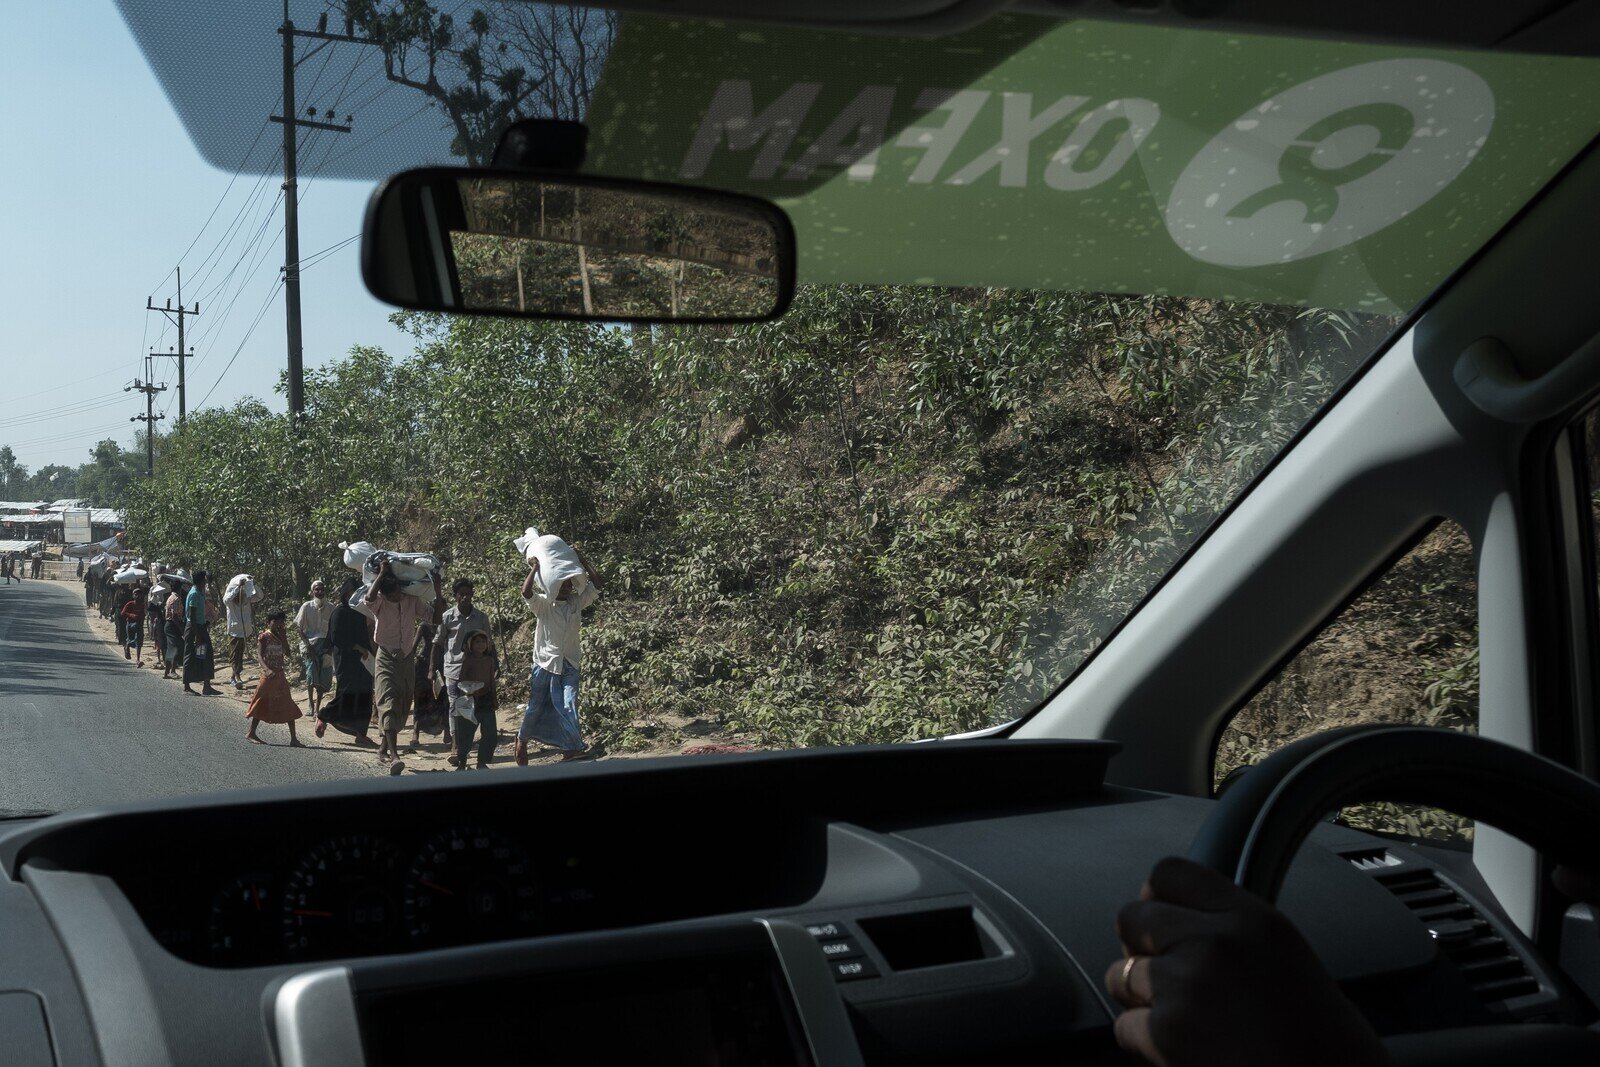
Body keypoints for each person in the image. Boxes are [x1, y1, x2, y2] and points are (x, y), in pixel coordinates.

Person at [515, 547, 603, 765]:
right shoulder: (544, 603)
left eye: (569, 584)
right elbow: (526, 592)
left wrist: (583, 560)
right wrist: (535, 567)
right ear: (553, 584)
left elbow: (597, 586)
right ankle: (522, 739)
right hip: (545, 662)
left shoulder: (576, 602)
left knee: (569, 703)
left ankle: (571, 748)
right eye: (562, 584)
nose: (566, 587)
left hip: (570, 662)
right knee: (535, 708)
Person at [364, 560, 444, 771]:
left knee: (401, 704)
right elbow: (369, 598)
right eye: (391, 596)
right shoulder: (379, 602)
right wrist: (381, 573)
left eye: (397, 593)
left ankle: (383, 749)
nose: (396, 598)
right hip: (385, 657)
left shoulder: (412, 600)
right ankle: (395, 756)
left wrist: (438, 591)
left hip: (406, 659)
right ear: (384, 594)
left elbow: (435, 618)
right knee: (388, 702)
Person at [431, 577, 492, 750]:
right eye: (461, 594)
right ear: (455, 596)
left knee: (471, 706)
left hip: (475, 671)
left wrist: (494, 667)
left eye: (468, 594)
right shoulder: (447, 617)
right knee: (454, 705)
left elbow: (489, 644)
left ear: (472, 595)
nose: (465, 597)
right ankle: (456, 744)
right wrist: (432, 668)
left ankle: (465, 740)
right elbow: (437, 643)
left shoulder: (481, 618)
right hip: (453, 669)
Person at [322, 576, 377, 746]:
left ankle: (361, 733)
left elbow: (365, 634)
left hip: (363, 660)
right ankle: (324, 715)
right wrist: (357, 647)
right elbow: (336, 637)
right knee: (346, 692)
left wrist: (369, 651)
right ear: (345, 594)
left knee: (365, 694)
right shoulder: (339, 612)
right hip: (345, 659)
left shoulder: (360, 612)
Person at [244, 610, 305, 746]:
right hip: (268, 675)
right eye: (276, 621)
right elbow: (259, 655)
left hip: (279, 674)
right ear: (269, 622)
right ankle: (251, 732)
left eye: (281, 622)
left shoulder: (280, 636)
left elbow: (288, 653)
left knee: (287, 703)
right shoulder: (264, 636)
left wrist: (284, 637)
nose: (278, 624)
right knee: (261, 701)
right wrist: (267, 670)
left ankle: (293, 739)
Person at [449, 630, 499, 770]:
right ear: (470, 645)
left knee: (490, 733)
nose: (481, 644)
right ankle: (462, 762)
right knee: (466, 732)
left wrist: (494, 698)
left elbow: (491, 681)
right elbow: (462, 680)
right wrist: (465, 695)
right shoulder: (468, 661)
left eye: (483, 641)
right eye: (477, 642)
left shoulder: (489, 661)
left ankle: (482, 762)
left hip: (486, 700)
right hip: (470, 700)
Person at [294, 580, 335, 717]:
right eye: (317, 589)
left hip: (326, 646)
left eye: (322, 589)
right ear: (312, 592)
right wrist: (307, 645)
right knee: (311, 675)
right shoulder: (306, 606)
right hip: (310, 646)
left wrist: (329, 647)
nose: (320, 592)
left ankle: (317, 708)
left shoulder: (331, 608)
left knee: (323, 676)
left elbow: (333, 630)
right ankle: (310, 705)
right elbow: (299, 627)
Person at [182, 569, 222, 696]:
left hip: (200, 627)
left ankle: (206, 686)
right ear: (201, 581)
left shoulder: (200, 592)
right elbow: (192, 616)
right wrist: (197, 636)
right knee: (190, 655)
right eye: (204, 579)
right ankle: (186, 686)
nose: (206, 581)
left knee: (204, 655)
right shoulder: (194, 594)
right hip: (194, 629)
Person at [223, 574, 257, 691]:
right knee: (234, 654)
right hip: (234, 631)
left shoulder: (246, 599)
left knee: (240, 655)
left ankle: (235, 676)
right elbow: (226, 599)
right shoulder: (230, 602)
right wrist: (238, 587)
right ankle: (235, 677)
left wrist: (253, 584)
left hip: (244, 631)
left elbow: (259, 596)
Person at [120, 579, 149, 667]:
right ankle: (127, 646)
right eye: (136, 594)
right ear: (133, 595)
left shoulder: (142, 605)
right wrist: (132, 615)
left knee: (139, 643)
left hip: (139, 625)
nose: (138, 596)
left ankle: (138, 660)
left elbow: (144, 614)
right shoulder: (130, 604)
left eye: (139, 594)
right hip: (130, 624)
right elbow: (123, 613)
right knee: (130, 640)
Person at [162, 579, 186, 679]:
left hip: (170, 625)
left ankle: (167, 672)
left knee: (171, 648)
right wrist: (181, 629)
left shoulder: (170, 597)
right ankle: (172, 670)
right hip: (173, 625)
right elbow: (175, 616)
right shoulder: (176, 599)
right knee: (176, 647)